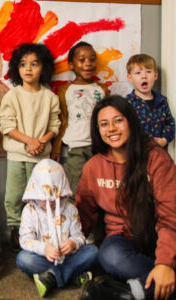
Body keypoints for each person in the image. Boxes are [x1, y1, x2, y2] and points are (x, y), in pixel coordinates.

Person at [76, 96, 176, 300]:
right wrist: (67, 247)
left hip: (160, 236)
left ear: (131, 121)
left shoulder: (157, 159)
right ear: (98, 130)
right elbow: (83, 215)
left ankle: (132, 293)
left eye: (118, 120)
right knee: (109, 256)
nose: (111, 128)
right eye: (104, 124)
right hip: (123, 243)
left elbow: (171, 214)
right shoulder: (93, 166)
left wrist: (165, 263)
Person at [0, 43, 61, 252]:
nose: (28, 69)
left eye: (34, 64)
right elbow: (6, 126)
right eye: (23, 64)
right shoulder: (12, 96)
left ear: (43, 68)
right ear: (16, 68)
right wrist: (28, 141)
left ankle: (38, 232)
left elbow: (55, 125)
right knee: (14, 196)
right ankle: (16, 232)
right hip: (17, 155)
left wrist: (41, 141)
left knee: (40, 198)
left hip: (41, 158)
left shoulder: (50, 97)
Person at [16, 159, 98, 298]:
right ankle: (73, 274)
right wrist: (44, 248)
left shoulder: (70, 209)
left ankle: (52, 277)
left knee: (93, 252)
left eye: (55, 198)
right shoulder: (29, 211)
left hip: (69, 257)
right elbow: (25, 241)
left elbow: (80, 236)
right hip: (44, 258)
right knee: (23, 259)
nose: (50, 203)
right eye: (44, 198)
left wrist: (73, 243)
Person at [51, 41, 110, 198]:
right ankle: (74, 220)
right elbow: (63, 120)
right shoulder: (66, 90)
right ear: (71, 65)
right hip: (76, 148)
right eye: (82, 60)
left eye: (91, 59)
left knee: (99, 190)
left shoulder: (102, 90)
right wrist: (56, 148)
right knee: (74, 190)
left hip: (99, 148)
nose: (88, 64)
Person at [126, 54, 175, 150]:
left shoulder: (162, 101)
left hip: (159, 153)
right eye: (138, 73)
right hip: (137, 154)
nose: (144, 76)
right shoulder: (127, 103)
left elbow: (170, 124)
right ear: (130, 78)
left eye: (148, 72)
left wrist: (165, 139)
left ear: (155, 75)